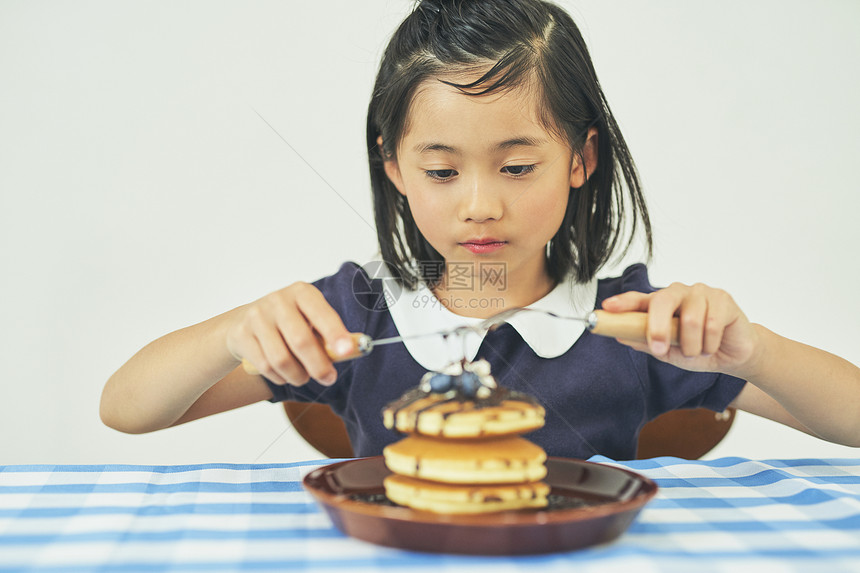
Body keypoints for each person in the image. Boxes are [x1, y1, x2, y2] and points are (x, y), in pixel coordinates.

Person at [100, 0, 860, 459]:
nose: (479, 205)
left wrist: (753, 349)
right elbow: (128, 409)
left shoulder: (634, 326)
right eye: (441, 171)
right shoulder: (352, 317)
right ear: (393, 167)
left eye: (516, 167)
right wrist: (238, 332)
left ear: (580, 159)